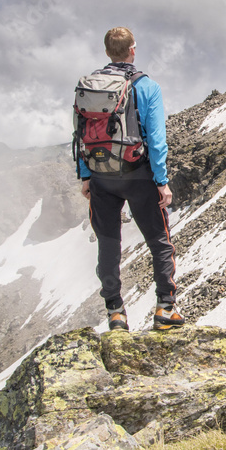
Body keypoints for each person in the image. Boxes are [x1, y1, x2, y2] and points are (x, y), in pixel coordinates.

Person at [77, 27, 184, 331]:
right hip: (138, 175)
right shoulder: (147, 86)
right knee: (159, 242)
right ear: (132, 50)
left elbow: (79, 133)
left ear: (107, 51)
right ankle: (165, 308)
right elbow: (157, 139)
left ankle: (115, 313)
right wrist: (161, 181)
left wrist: (85, 175)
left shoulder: (90, 86)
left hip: (100, 175)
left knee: (108, 245)